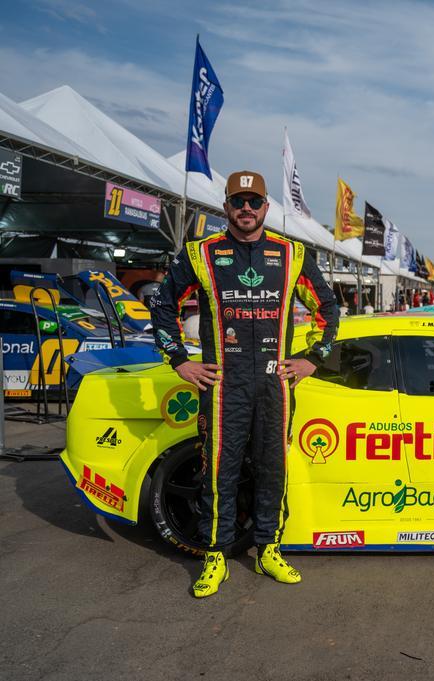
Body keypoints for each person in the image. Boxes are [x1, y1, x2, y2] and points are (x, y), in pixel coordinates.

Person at [151, 170, 339, 598]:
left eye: (254, 202)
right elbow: (162, 307)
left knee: (273, 469)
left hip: (275, 386)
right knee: (219, 472)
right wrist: (180, 361)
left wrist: (312, 358)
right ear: (226, 208)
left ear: (266, 207)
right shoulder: (200, 254)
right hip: (223, 385)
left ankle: (269, 548)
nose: (247, 209)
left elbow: (328, 307)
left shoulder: (291, 254)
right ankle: (215, 556)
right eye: (239, 202)